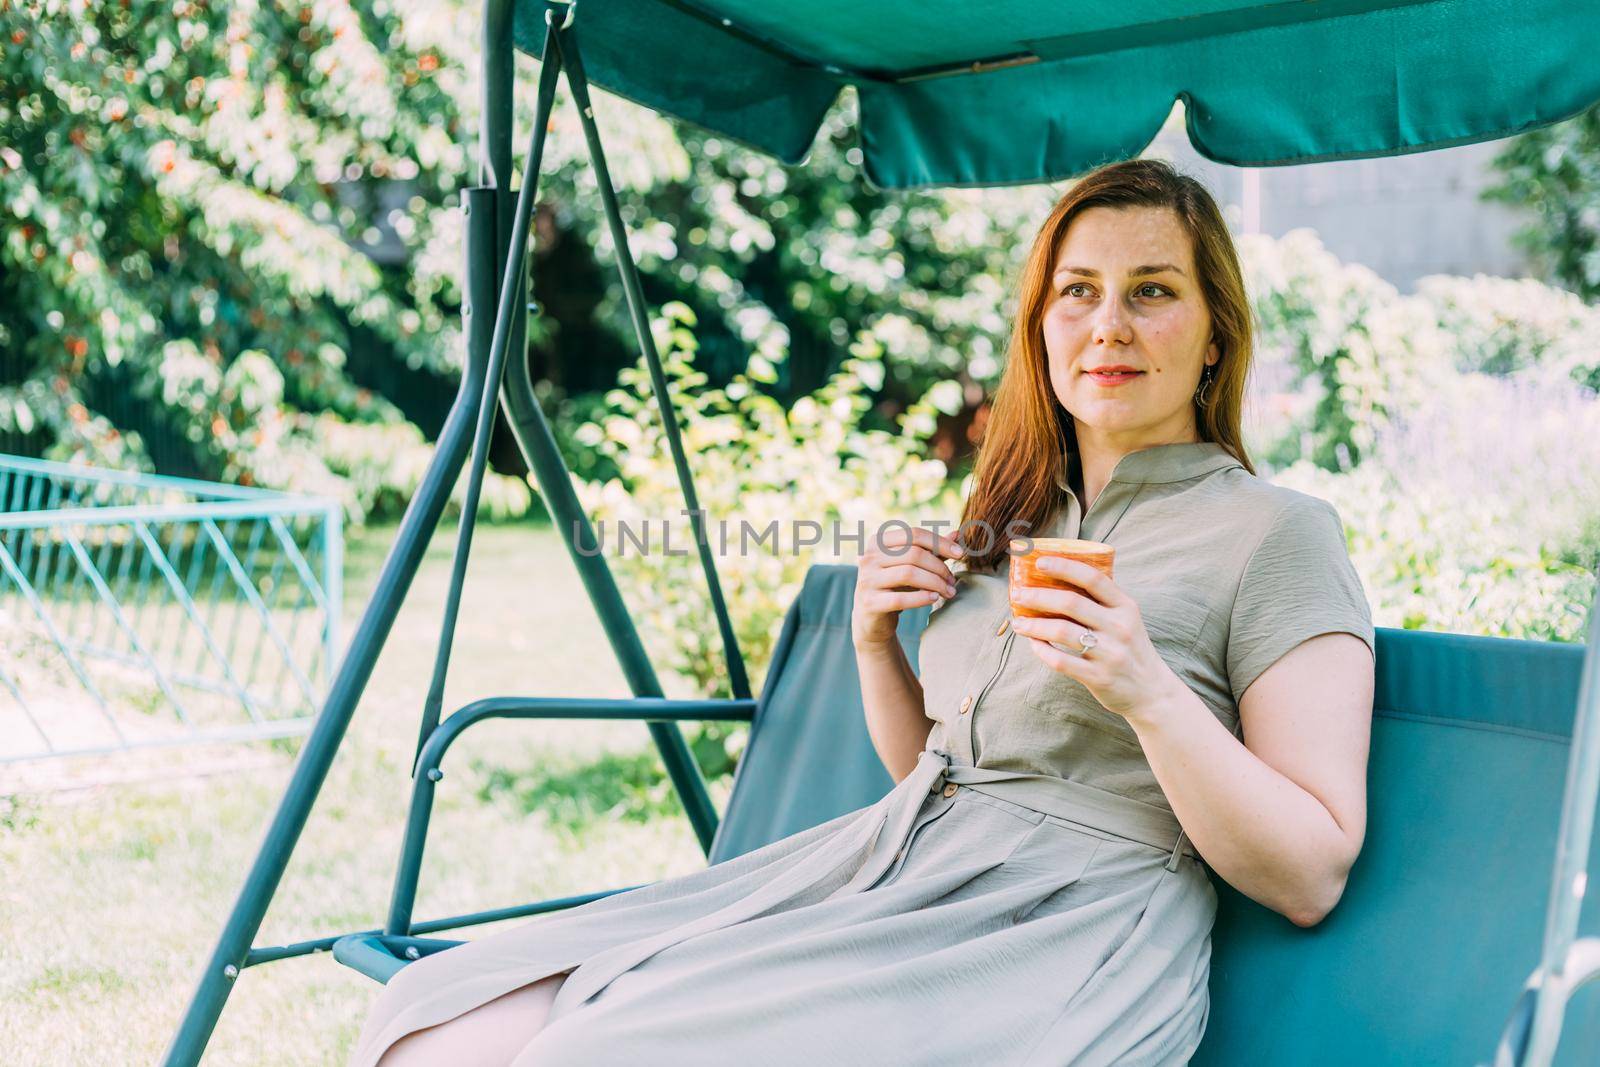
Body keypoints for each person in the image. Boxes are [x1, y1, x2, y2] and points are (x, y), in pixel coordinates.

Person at [350, 157, 1376, 1067]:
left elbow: (1310, 869)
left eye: (1151, 291)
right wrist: (874, 639)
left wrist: (1145, 688)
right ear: (1041, 329)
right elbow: (943, 771)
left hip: (1061, 933)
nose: (1107, 323)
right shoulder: (1013, 516)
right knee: (444, 1019)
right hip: (890, 869)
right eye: (1077, 292)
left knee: (594, 1048)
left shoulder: (1276, 534)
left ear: (1212, 336)